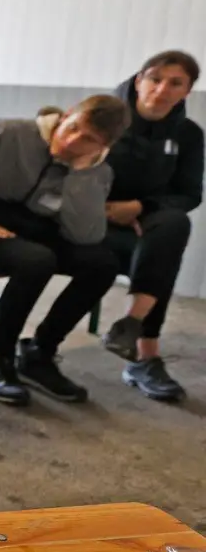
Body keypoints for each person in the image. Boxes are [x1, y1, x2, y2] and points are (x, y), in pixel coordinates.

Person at [0, 96, 129, 405]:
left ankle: (39, 354)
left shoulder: (97, 172)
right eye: (73, 128)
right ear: (67, 115)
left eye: (88, 140)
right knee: (37, 261)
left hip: (33, 229)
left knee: (101, 264)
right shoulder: (6, 133)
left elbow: (85, 236)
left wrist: (81, 174)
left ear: (103, 146)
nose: (72, 141)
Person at [99, 50, 202, 402]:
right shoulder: (104, 116)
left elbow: (189, 194)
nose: (162, 90)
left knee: (172, 229)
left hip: (146, 223)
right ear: (139, 79)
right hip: (92, 218)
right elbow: (71, 166)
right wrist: (104, 209)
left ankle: (133, 333)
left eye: (176, 83)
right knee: (162, 253)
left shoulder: (189, 135)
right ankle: (146, 350)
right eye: (155, 79)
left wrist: (140, 208)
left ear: (187, 91)